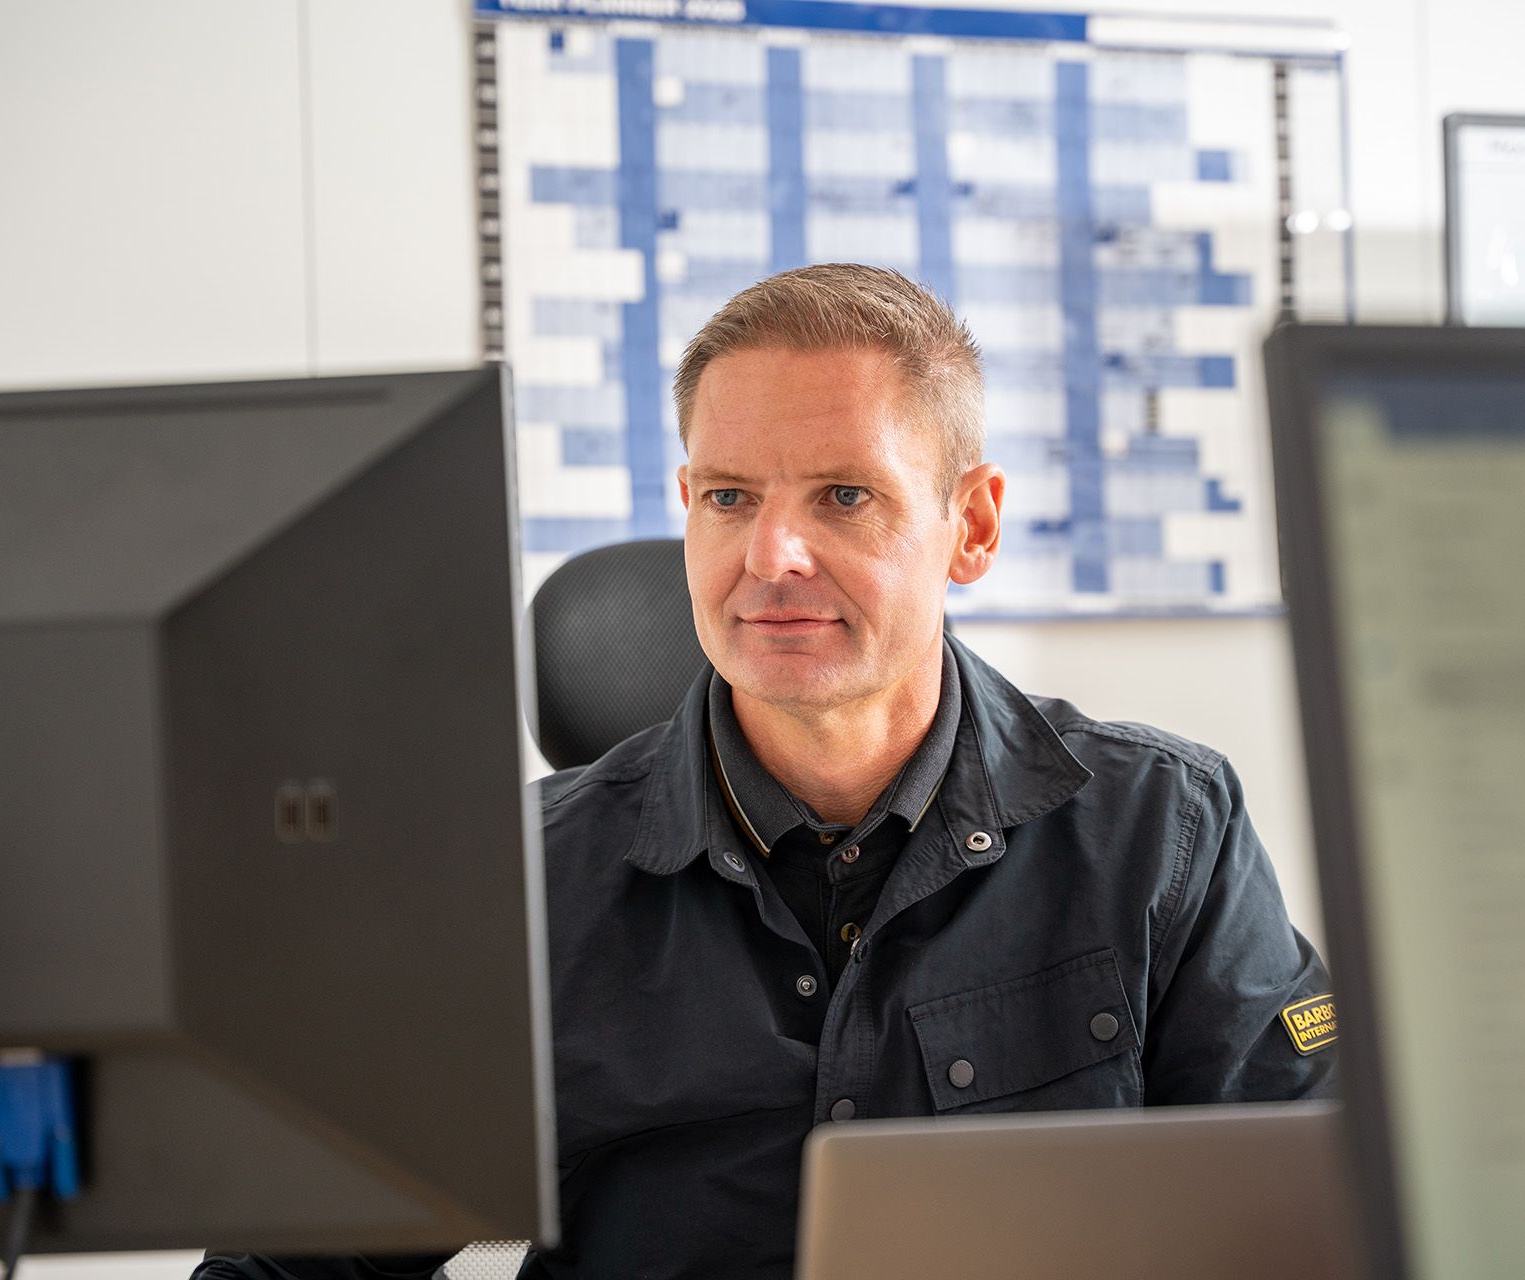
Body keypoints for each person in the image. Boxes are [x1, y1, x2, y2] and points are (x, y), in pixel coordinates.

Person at [199, 264, 1333, 1280]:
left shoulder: (1163, 832)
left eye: (844, 495)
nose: (771, 556)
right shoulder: (521, 885)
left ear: (972, 526)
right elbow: (283, 1266)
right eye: (731, 496)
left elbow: (1315, 1210)